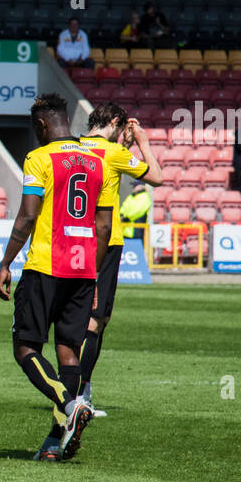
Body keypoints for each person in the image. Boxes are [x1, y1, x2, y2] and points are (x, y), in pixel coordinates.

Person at [0, 93, 108, 463]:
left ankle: (68, 403)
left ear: (41, 125)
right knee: (68, 353)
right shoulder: (96, 161)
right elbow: (103, 225)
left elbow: (28, 216)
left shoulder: (38, 158)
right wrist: (94, 274)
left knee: (26, 348)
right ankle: (54, 443)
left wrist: (6, 262)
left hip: (46, 264)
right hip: (84, 268)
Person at [77, 106, 163, 414]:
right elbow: (156, 177)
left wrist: (121, 147)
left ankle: (76, 388)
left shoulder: (73, 146)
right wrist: (142, 142)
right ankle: (80, 394)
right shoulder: (112, 152)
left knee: (82, 317)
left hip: (74, 239)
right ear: (115, 122)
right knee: (95, 320)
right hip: (105, 240)